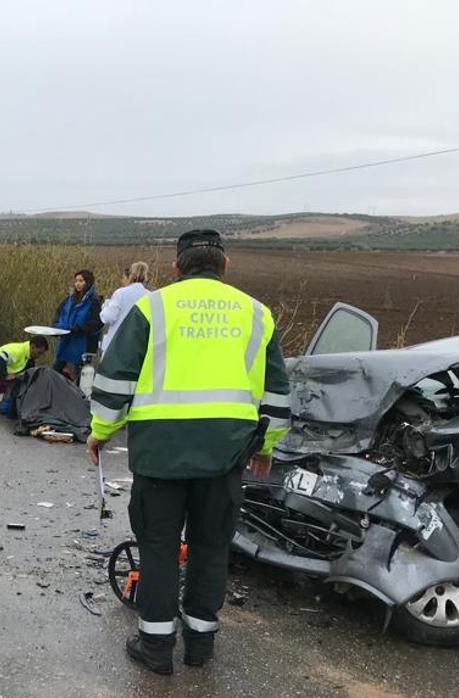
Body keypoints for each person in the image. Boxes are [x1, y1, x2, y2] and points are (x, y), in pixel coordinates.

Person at [85, 230, 291, 676]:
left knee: (158, 546)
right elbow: (276, 391)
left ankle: (156, 647)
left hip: (160, 453)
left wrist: (100, 431)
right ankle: (200, 645)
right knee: (210, 545)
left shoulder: (153, 307)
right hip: (226, 455)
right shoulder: (256, 314)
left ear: (177, 268)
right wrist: (267, 445)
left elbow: (115, 379)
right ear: (225, 266)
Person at [52, 270, 102, 380]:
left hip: (83, 342)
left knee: (81, 374)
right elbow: (59, 313)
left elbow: (96, 322)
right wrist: (56, 327)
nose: (77, 284)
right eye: (76, 281)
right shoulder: (69, 299)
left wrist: (79, 328)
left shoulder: (94, 301)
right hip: (66, 338)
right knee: (55, 369)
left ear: (88, 282)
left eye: (81, 281)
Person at [0, 337, 48, 408]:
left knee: (22, 381)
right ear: (33, 347)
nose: (39, 356)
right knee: (16, 383)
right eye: (39, 353)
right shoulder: (18, 351)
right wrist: (5, 375)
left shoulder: (28, 356)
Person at [99, 262, 151, 355]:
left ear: (131, 275)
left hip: (116, 345)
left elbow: (109, 317)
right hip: (139, 345)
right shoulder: (150, 296)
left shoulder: (121, 293)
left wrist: (105, 307)